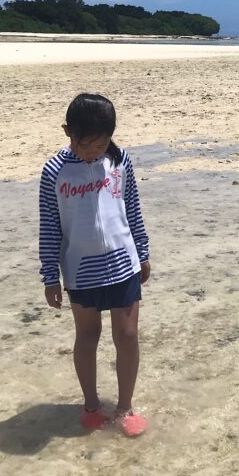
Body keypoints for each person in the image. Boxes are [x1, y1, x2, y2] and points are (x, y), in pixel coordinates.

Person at [39, 92, 151, 437]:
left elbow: (131, 208)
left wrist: (143, 252)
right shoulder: (54, 172)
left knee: (128, 336)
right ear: (67, 132)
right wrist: (50, 277)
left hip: (123, 263)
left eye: (101, 144)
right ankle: (90, 404)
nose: (93, 152)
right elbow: (49, 226)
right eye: (85, 145)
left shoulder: (120, 161)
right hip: (81, 271)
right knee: (88, 337)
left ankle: (125, 407)